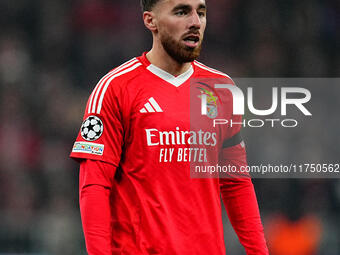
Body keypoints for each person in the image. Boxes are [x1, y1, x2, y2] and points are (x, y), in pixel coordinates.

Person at [70, 0, 269, 254]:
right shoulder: (115, 88)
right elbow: (95, 186)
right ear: (150, 21)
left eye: (201, 12)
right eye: (182, 11)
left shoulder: (221, 89)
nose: (195, 22)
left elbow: (236, 182)